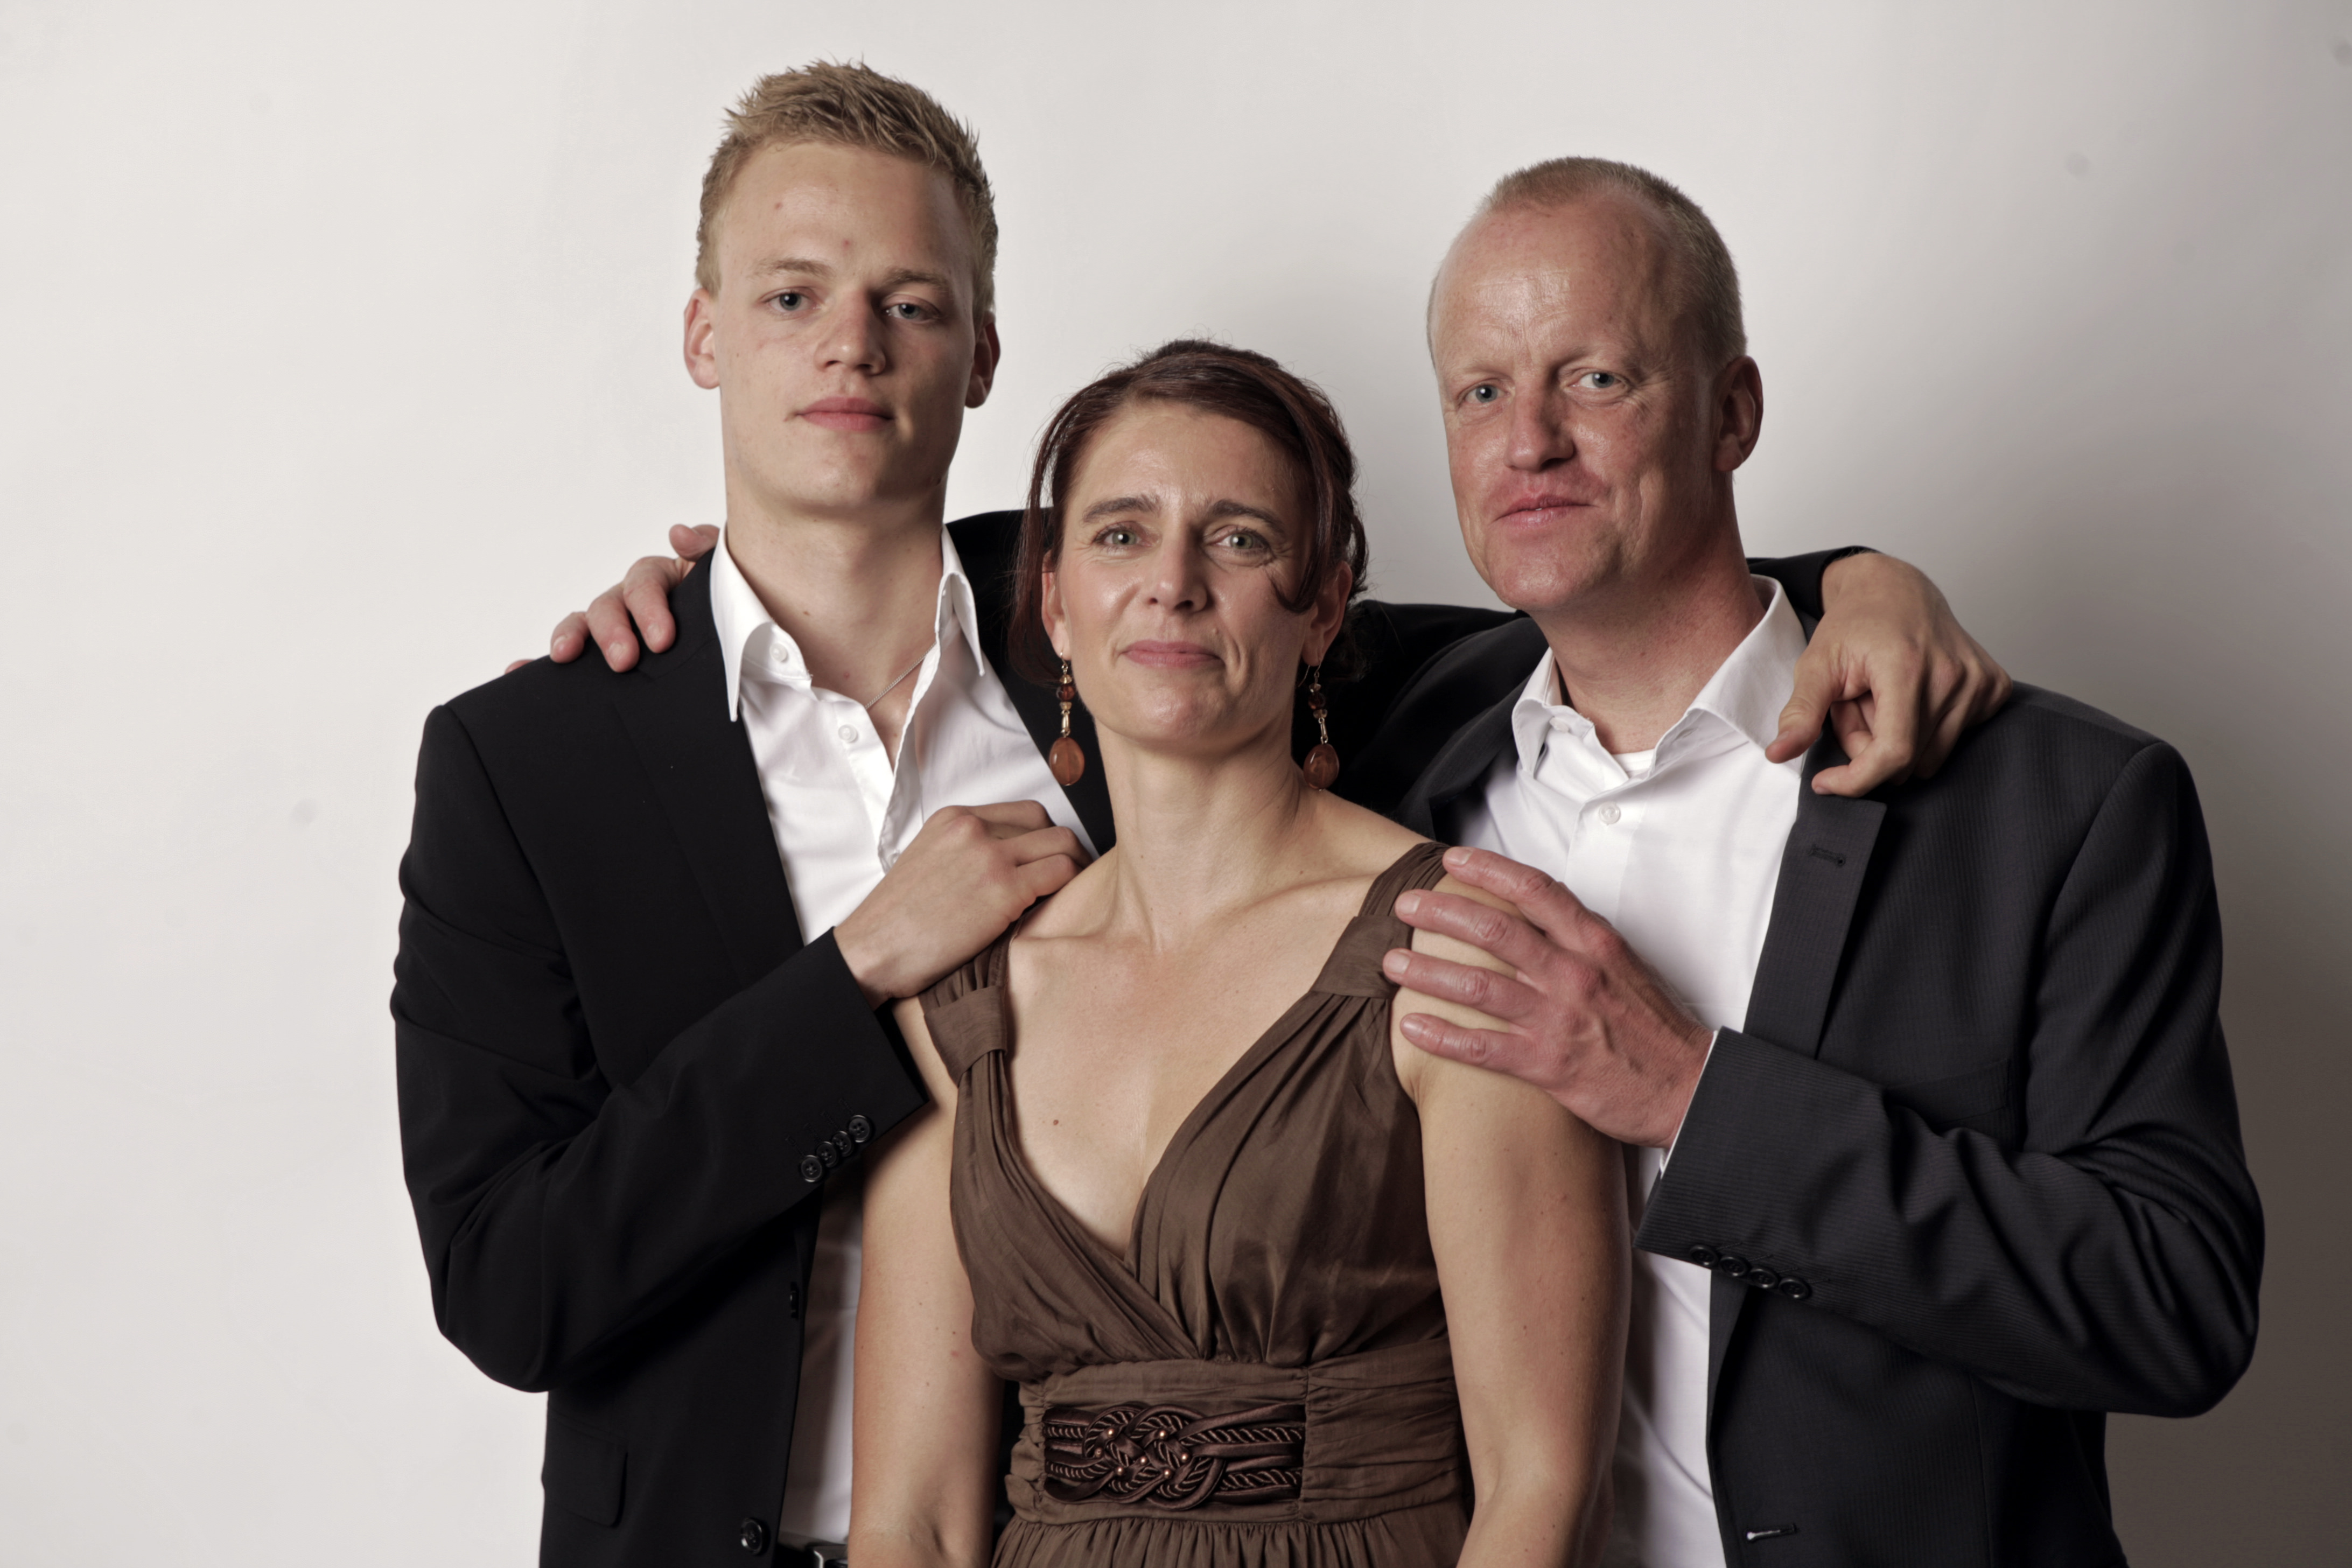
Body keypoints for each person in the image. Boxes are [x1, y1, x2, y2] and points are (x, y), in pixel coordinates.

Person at [422, 64, 2003, 1565]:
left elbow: (1609, 598)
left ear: (982, 351)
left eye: (912, 303)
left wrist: (1859, 586)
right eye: (790, 296)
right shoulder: (535, 758)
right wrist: (853, 982)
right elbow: (509, 1284)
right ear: (702, 331)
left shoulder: (1152, 624)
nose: (852, 347)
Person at [1366, 158, 2264, 1565]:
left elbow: (2175, 1303)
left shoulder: (2059, 803)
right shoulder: (1391, 736)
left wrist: (1690, 1092)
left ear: (1733, 412)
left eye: (1595, 378)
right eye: (1481, 391)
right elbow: (1117, 581)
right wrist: (1864, 571)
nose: (1527, 440)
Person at [851, 340, 1626, 1566]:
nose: (1173, 585)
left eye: (1239, 538)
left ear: (1324, 607)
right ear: (1055, 603)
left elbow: (1540, 1487)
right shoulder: (960, 1001)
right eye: (1120, 535)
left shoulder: (1460, 948)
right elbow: (911, 1523)